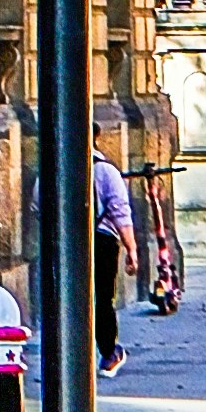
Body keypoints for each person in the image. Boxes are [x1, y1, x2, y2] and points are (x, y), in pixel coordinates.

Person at [92, 137, 132, 372]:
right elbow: (121, 214)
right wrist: (132, 250)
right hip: (102, 241)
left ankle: (66, 352)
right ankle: (108, 353)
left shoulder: (53, 167)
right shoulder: (107, 172)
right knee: (103, 298)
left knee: (65, 297)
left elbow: (38, 206)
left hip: (64, 241)